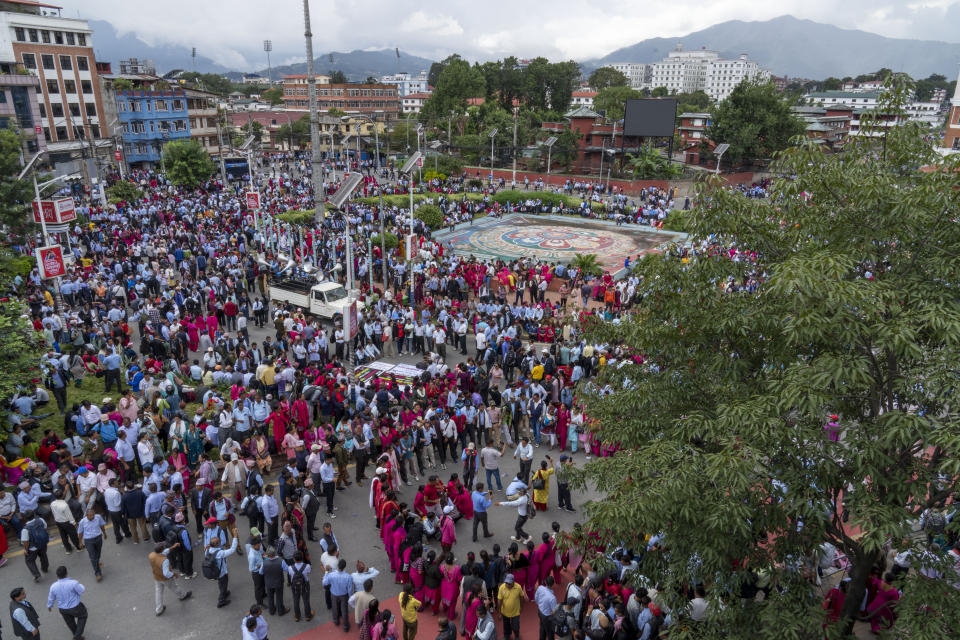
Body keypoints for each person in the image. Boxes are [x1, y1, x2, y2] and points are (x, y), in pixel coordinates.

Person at [149, 543, 192, 616]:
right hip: (165, 579)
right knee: (174, 587)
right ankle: (183, 596)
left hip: (157, 577)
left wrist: (172, 547)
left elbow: (163, 552)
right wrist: (174, 574)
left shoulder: (152, 555)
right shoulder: (164, 560)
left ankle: (159, 609)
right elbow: (166, 573)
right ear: (162, 550)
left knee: (158, 592)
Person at [46, 566, 87, 640]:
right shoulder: (73, 583)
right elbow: (81, 590)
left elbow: (51, 597)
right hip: (75, 607)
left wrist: (49, 605)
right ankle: (77, 636)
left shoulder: (53, 586)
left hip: (63, 609)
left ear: (57, 575)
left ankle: (77, 635)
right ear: (66, 573)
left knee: (71, 623)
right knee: (83, 616)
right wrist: (80, 585)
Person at [204, 526, 240, 608]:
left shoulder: (208, 550)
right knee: (223, 584)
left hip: (215, 571)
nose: (220, 542)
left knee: (221, 584)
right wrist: (235, 536)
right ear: (217, 544)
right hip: (221, 573)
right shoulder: (219, 553)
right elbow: (232, 550)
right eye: (219, 542)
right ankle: (221, 601)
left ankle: (225, 592)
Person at [322, 557, 354, 631]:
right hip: (344, 595)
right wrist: (350, 598)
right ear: (344, 567)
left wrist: (326, 572)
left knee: (335, 608)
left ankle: (336, 621)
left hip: (334, 594)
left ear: (338, 565)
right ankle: (345, 626)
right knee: (344, 610)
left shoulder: (331, 575)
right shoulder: (348, 577)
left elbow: (324, 582)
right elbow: (349, 589)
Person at [76, 509, 106, 582]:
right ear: (86, 515)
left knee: (98, 553)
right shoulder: (82, 522)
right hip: (89, 541)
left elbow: (102, 525)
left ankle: (97, 562)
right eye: (90, 516)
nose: (92, 517)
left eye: (93, 515)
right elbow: (80, 533)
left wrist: (104, 533)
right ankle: (98, 573)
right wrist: (80, 542)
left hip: (98, 538)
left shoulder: (98, 517)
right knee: (92, 556)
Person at [20, 510, 50, 582]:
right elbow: (45, 528)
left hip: (33, 547)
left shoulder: (25, 529)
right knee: (43, 555)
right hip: (43, 543)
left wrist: (26, 550)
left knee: (29, 561)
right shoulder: (41, 520)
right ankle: (45, 568)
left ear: (25, 518)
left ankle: (36, 575)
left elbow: (26, 541)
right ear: (34, 515)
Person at [260, 545, 289, 616]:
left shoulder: (264, 563)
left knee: (270, 597)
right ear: (275, 553)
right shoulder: (281, 561)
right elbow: (287, 569)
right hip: (279, 582)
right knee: (279, 597)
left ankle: (271, 610)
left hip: (268, 583)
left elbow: (260, 572)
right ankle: (280, 611)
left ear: (267, 554)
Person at [288, 550, 315, 622]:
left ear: (294, 559)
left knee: (296, 600)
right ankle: (308, 615)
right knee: (306, 600)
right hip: (305, 585)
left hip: (294, 586)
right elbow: (309, 572)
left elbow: (290, 575)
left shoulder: (290, 568)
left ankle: (297, 616)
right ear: (302, 557)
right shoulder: (307, 566)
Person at [497, 573, 526, 640]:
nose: (507, 585)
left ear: (513, 582)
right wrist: (499, 612)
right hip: (505, 612)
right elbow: (499, 600)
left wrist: (521, 607)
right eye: (506, 582)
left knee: (515, 626)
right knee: (506, 625)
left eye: (509, 583)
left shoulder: (518, 587)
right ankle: (507, 635)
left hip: (515, 612)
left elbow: (521, 597)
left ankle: (516, 635)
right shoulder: (502, 587)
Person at [535, 575, 558, 640]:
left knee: (542, 627)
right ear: (553, 584)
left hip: (540, 611)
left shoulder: (540, 588)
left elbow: (536, 598)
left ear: (545, 582)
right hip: (547, 616)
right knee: (550, 632)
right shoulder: (552, 598)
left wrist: (540, 605)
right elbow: (554, 611)